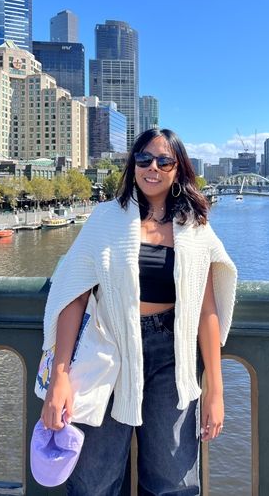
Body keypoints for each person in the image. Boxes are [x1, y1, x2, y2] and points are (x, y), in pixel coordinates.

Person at [40, 128, 237, 495]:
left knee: (173, 479)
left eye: (164, 161)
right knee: (93, 480)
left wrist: (215, 389)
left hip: (171, 356)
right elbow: (73, 296)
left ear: (178, 168)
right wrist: (60, 378)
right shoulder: (106, 218)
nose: (153, 168)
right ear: (133, 165)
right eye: (144, 159)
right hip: (107, 350)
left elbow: (206, 308)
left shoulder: (194, 227)